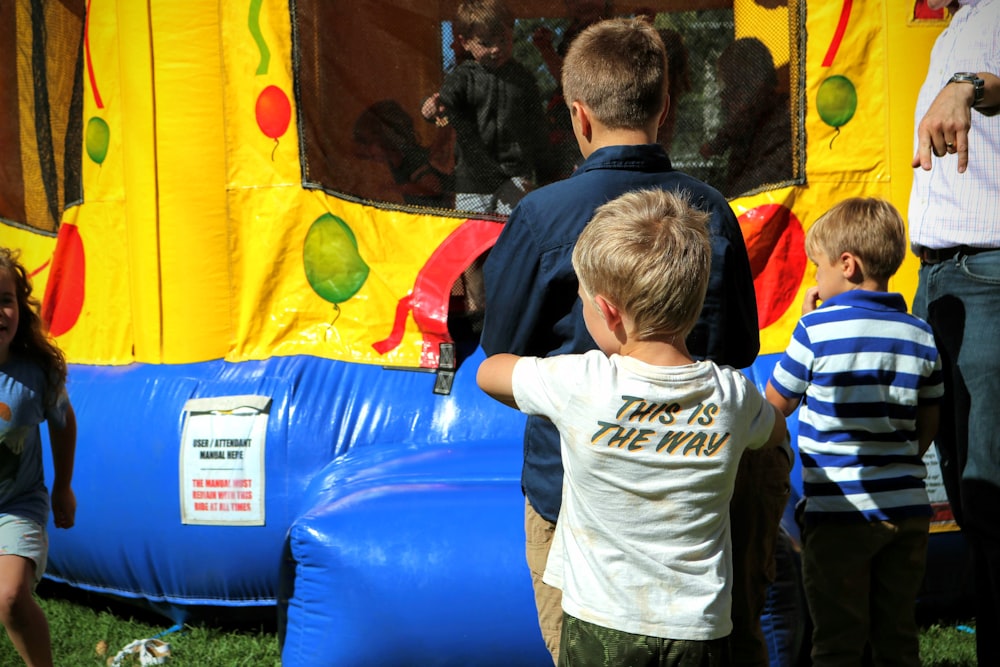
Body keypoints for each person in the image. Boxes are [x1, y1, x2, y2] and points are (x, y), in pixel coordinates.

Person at [480, 17, 787, 665]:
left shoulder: (540, 216)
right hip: (699, 511)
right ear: (665, 109)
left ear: (578, 116)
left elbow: (500, 355)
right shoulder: (706, 213)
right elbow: (738, 354)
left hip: (573, 501)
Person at [765, 198, 943, 666]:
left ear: (847, 265)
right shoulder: (920, 333)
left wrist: (803, 327)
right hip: (907, 513)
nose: (815, 279)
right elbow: (928, 422)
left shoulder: (815, 330)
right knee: (897, 635)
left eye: (817, 267)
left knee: (838, 639)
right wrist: (900, 457)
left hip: (839, 515)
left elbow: (774, 404)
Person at [908, 0, 1000, 662]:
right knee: (967, 487)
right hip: (941, 275)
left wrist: (966, 86)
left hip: (986, 273)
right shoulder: (958, 23)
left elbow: (990, 85)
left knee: (990, 489)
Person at [0, 247, 77, 667]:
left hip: (17, 504)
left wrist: (63, 486)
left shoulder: (34, 374)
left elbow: (63, 423)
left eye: (5, 300)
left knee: (10, 597)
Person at [421, 0, 547, 215]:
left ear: (512, 32)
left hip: (514, 176)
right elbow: (446, 100)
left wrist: (545, 170)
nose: (496, 49)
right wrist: (431, 108)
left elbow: (537, 126)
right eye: (486, 43)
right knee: (473, 233)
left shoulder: (523, 79)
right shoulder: (463, 76)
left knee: (512, 229)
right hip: (473, 179)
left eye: (503, 40)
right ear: (465, 42)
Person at [698, 38, 793, 199]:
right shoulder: (748, 127)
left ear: (756, 86)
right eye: (725, 90)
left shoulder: (782, 129)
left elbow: (749, 192)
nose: (724, 99)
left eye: (733, 88)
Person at [352, 100, 454, 210]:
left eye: (369, 143)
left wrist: (397, 188)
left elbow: (433, 187)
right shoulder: (395, 163)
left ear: (384, 139)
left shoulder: (411, 156)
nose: (368, 152)